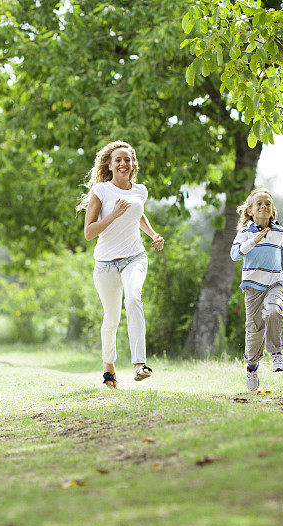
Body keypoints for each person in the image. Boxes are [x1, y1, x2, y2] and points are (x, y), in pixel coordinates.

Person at [79, 140, 164, 389]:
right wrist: (113, 215)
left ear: (133, 164)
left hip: (134, 257)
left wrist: (153, 235)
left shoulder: (141, 191)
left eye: (127, 159)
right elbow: (88, 232)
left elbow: (138, 215)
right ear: (109, 164)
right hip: (105, 265)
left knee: (134, 298)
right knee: (112, 319)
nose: (123, 164)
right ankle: (109, 367)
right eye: (118, 159)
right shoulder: (101, 191)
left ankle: (139, 363)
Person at [230, 187, 283, 391]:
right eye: (259, 203)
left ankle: (276, 354)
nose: (264, 206)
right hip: (252, 287)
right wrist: (253, 242)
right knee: (255, 330)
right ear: (250, 210)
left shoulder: (279, 232)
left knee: (274, 311)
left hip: (275, 282)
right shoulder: (245, 233)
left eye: (268, 204)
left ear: (272, 210)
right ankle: (252, 368)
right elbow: (235, 255)